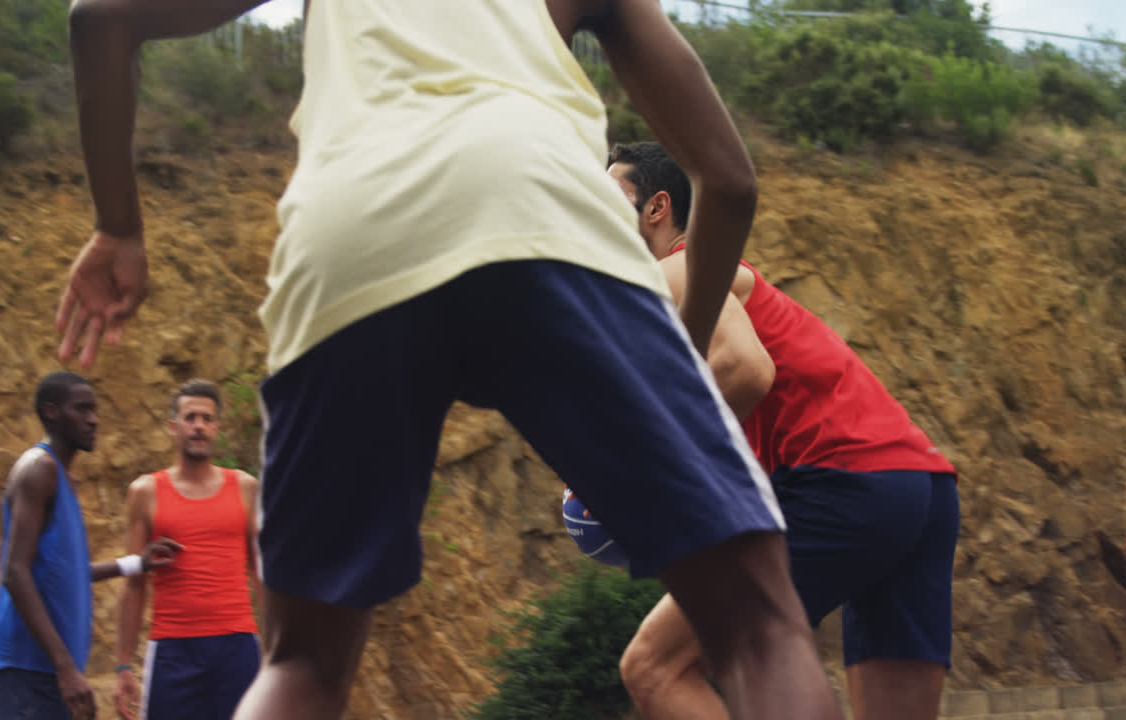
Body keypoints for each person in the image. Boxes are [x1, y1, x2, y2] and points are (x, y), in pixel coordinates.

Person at [59, 1, 843, 719]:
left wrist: (118, 228)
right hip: (545, 212)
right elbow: (731, 182)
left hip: (352, 233)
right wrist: (674, 369)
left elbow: (100, 20)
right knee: (758, 628)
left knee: (301, 663)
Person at [608, 141, 960, 720]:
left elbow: (746, 370)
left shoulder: (673, 267)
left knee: (654, 667)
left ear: (656, 207)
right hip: (915, 484)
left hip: (844, 483)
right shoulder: (697, 283)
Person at [0, 371, 181, 720]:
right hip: (29, 666)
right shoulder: (39, 469)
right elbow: (15, 572)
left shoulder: (64, 479)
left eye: (94, 410)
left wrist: (136, 563)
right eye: (81, 409)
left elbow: (66, 573)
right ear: (51, 412)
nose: (93, 420)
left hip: (50, 669)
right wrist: (65, 668)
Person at [113, 380, 261, 720]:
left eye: (207, 419)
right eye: (190, 417)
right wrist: (123, 664)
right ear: (173, 427)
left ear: (217, 428)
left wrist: (277, 652)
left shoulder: (244, 488)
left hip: (237, 645)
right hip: (173, 649)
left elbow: (262, 575)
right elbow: (134, 584)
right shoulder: (146, 492)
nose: (199, 426)